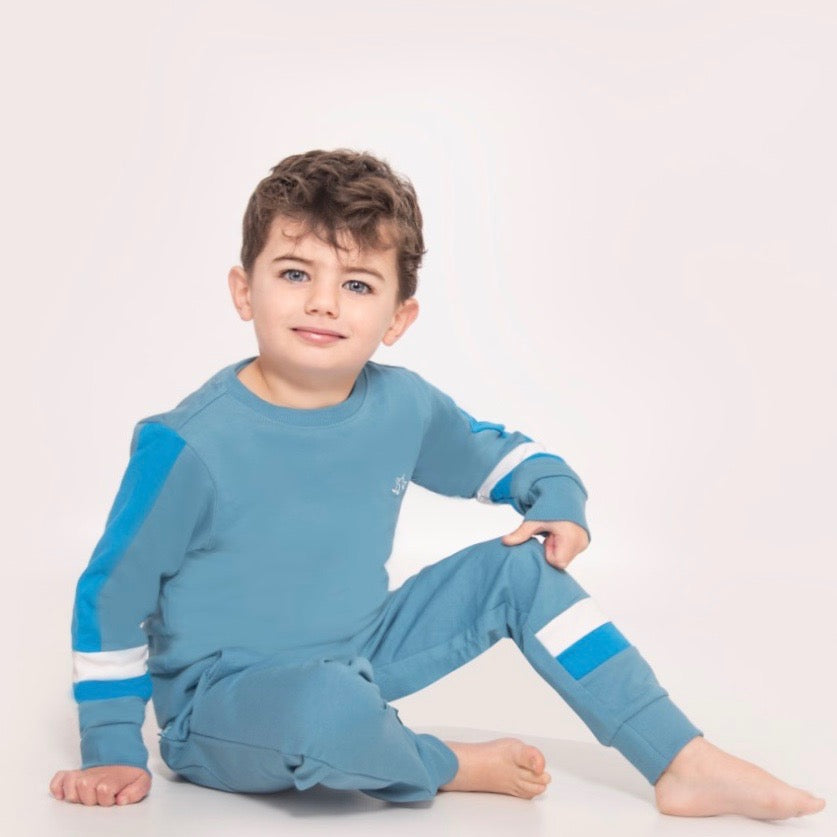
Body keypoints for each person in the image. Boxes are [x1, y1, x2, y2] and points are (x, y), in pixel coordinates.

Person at [49, 148, 826, 820]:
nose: (323, 301)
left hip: (358, 650)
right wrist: (113, 747)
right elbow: (111, 593)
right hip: (224, 703)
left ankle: (678, 757)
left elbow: (504, 457)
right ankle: (441, 762)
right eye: (294, 273)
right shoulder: (187, 443)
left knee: (520, 570)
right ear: (243, 290)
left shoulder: (403, 406)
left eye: (358, 284)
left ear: (398, 317)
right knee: (328, 709)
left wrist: (557, 500)